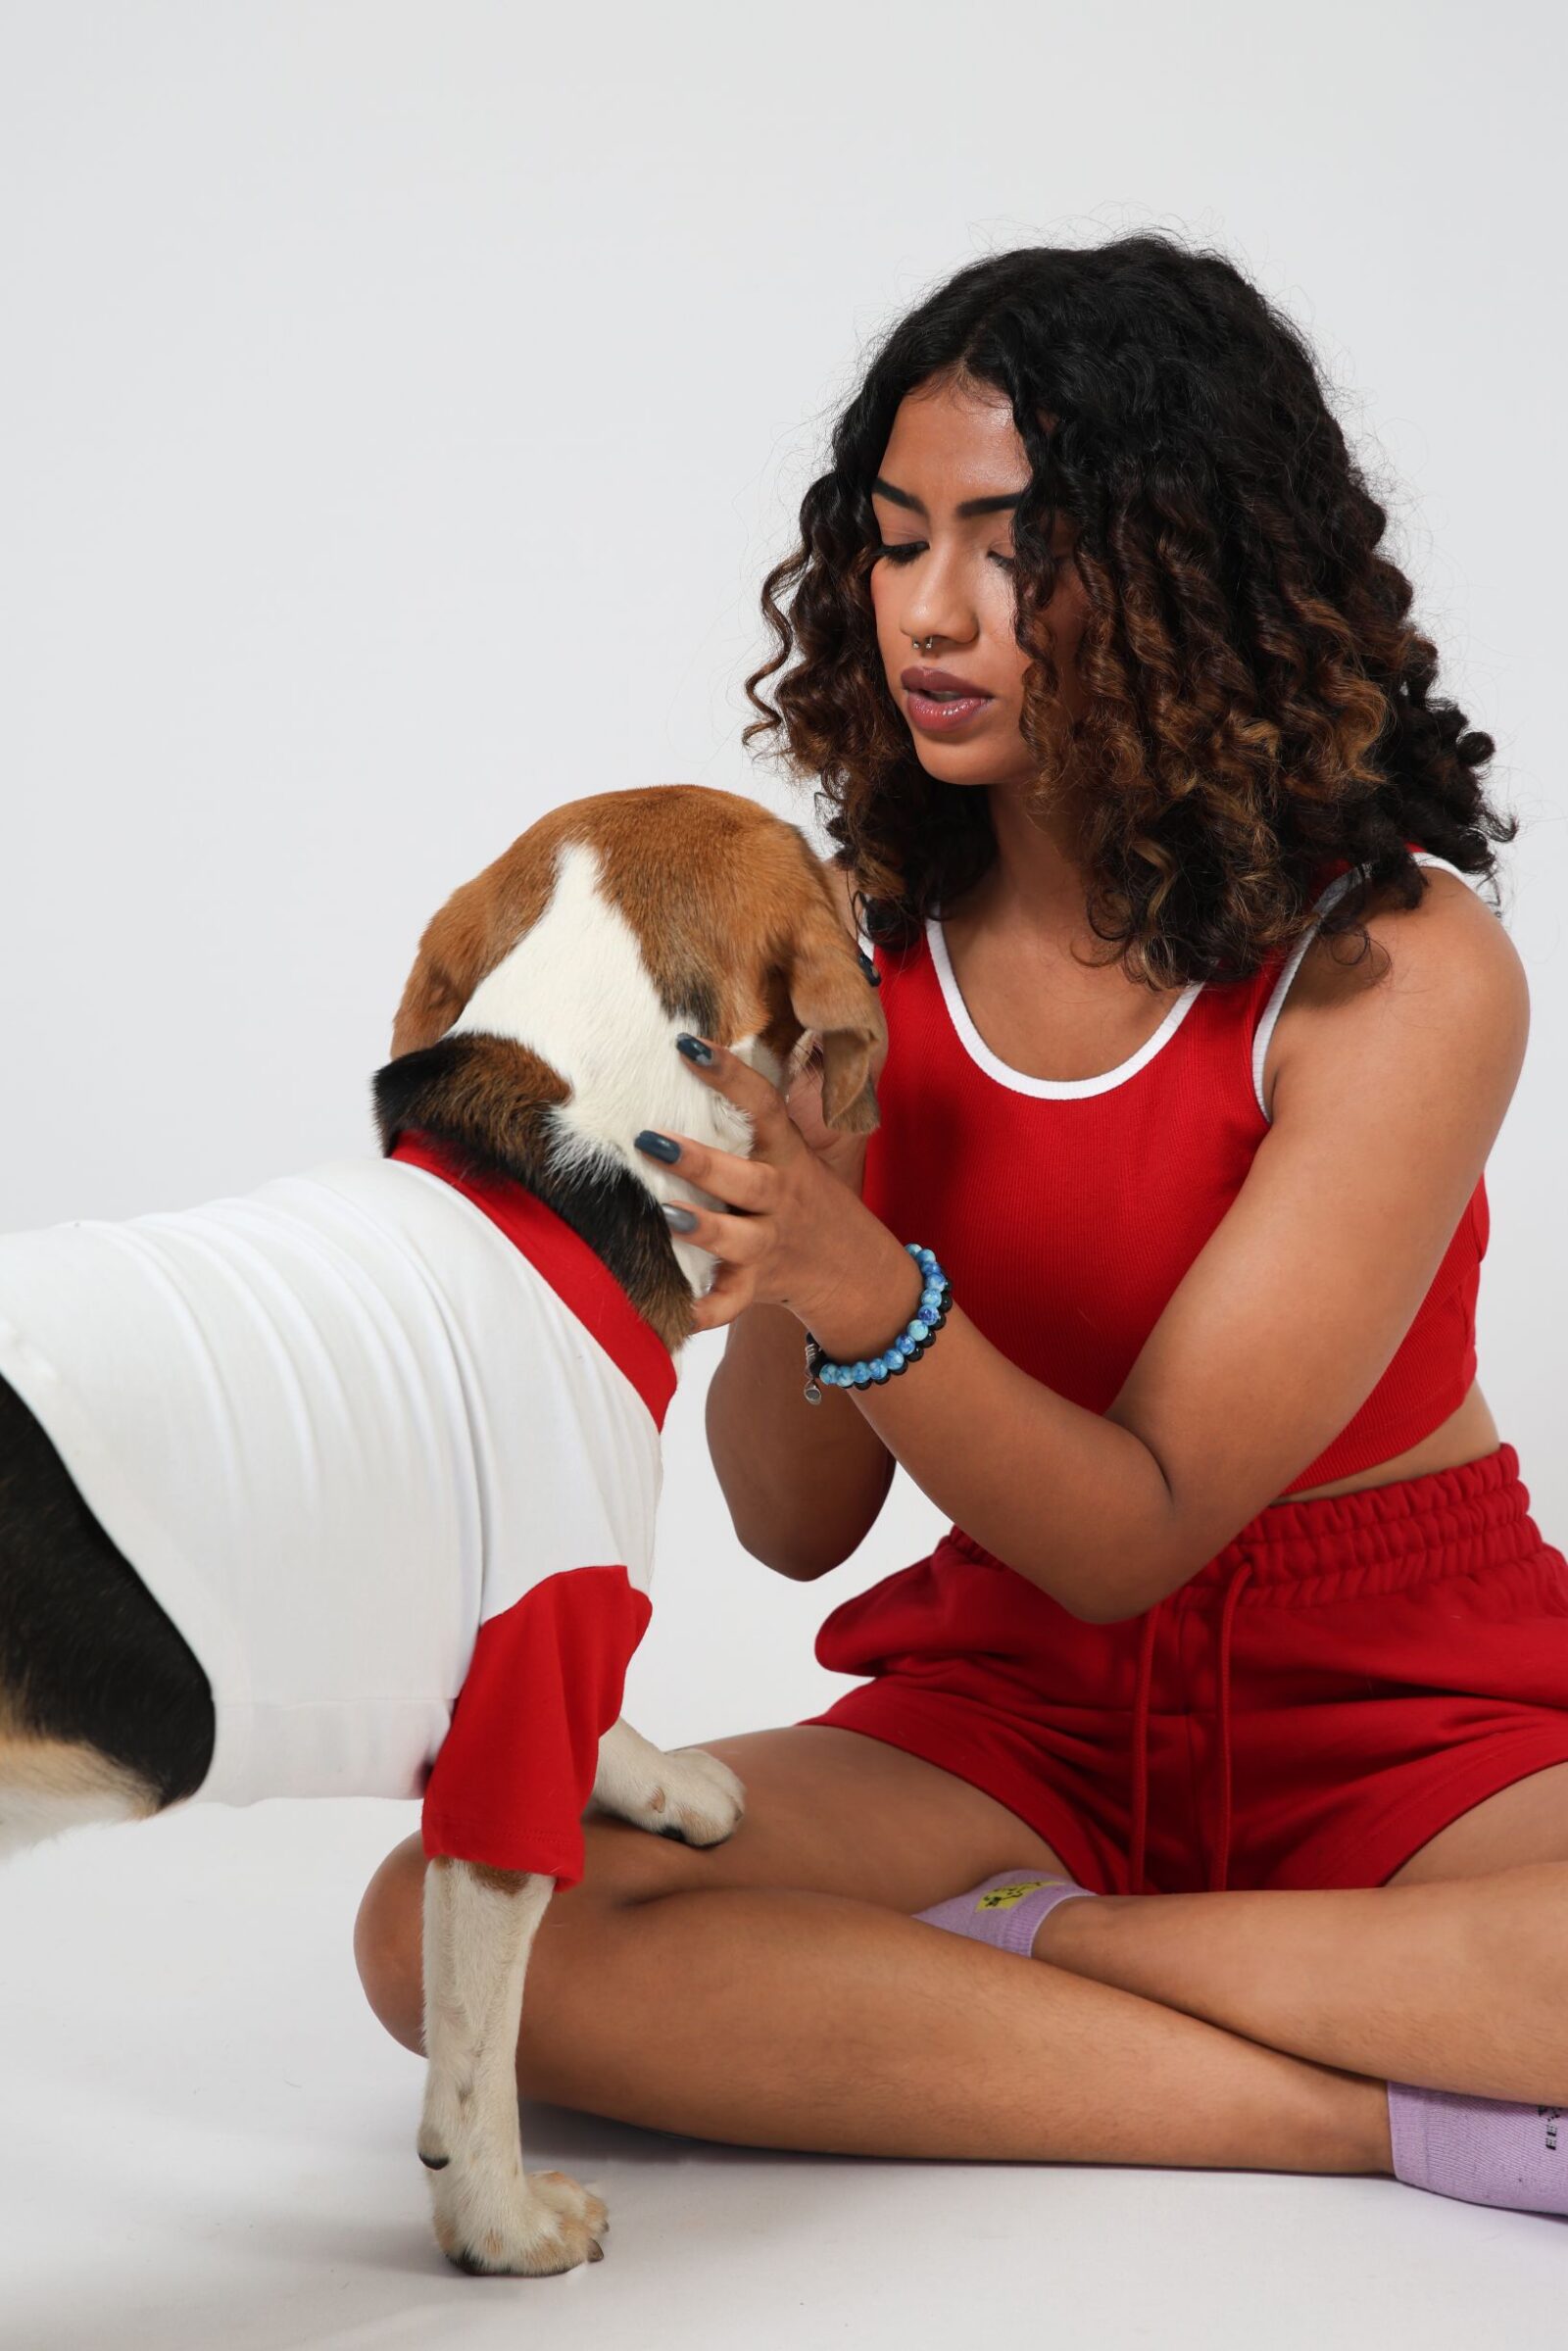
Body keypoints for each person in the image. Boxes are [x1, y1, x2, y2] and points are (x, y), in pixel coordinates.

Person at [355, 234, 1568, 2216]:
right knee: (450, 1927)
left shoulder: (1401, 970)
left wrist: (854, 1274)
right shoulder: (862, 961)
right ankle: (1389, 2118)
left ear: (1197, 570)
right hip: (1019, 1711)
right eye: (893, 539)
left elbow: (1136, 1520)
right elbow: (793, 1519)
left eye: (1008, 549)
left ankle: (1035, 1956)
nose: (928, 614)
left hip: (1399, 1697)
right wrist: (799, 1213)